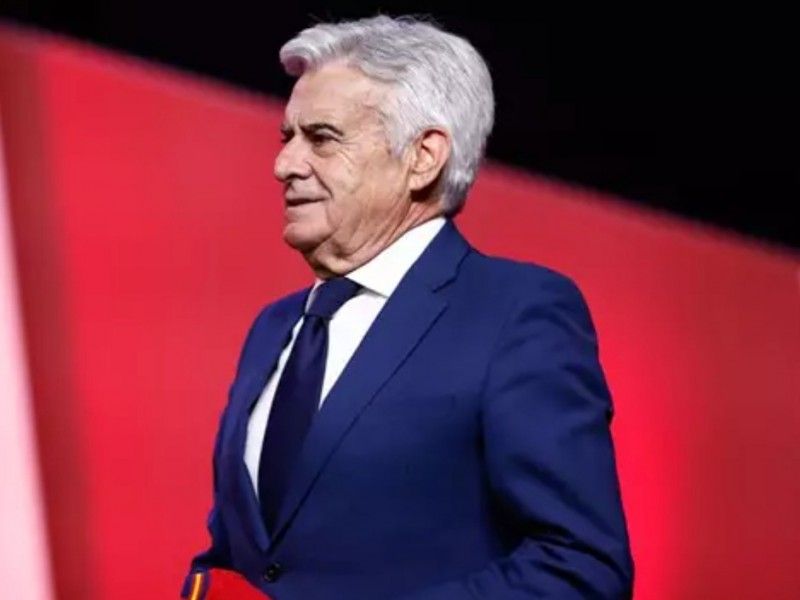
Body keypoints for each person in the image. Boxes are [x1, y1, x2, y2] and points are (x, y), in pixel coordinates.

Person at [181, 14, 634, 600]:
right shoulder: (273, 328)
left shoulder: (516, 314)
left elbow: (580, 567)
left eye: (322, 138)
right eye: (286, 137)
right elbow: (240, 558)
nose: (284, 164)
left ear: (423, 156)